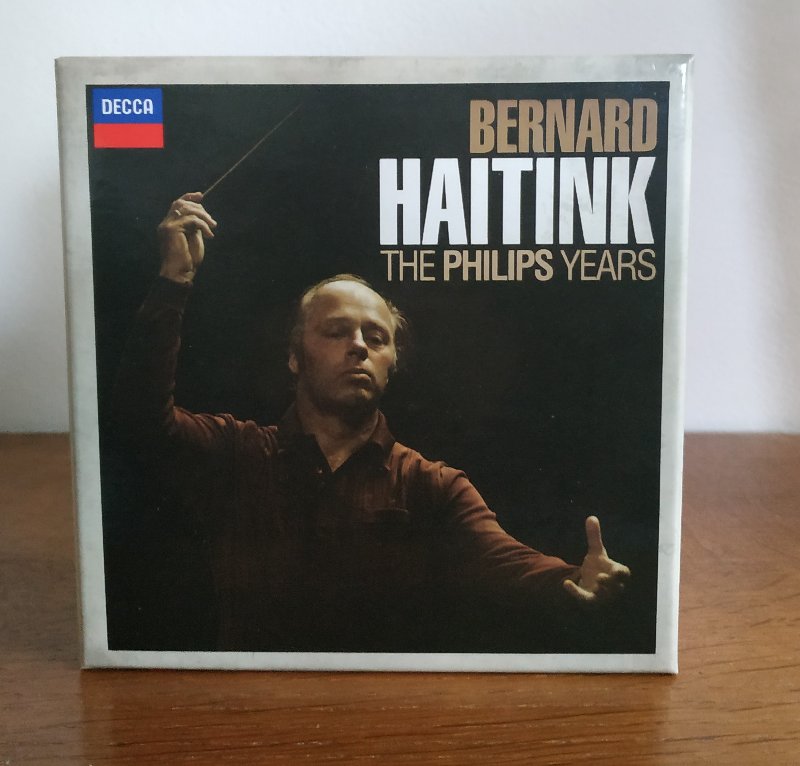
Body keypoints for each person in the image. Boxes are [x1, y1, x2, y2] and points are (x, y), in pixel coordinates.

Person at [112, 191, 631, 652]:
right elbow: (138, 417)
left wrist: (575, 578)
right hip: (253, 710)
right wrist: (174, 280)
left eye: (376, 337)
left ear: (391, 363)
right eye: (336, 331)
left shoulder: (432, 486)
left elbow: (506, 560)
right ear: (294, 356)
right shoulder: (238, 453)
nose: (359, 346)